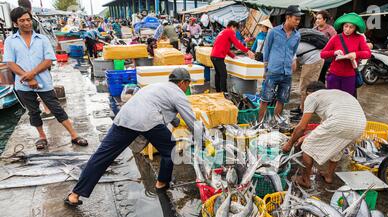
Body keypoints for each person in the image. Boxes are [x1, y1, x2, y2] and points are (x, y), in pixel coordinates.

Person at [64, 68, 197, 206]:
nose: (187, 88)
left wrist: (175, 120)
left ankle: (74, 195)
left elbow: (159, 105)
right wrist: (204, 138)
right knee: (170, 149)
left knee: (102, 156)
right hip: (147, 120)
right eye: (187, 84)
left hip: (124, 118)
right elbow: (192, 121)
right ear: (182, 82)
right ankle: (161, 183)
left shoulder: (156, 86)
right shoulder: (178, 93)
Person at [4, 7, 88, 150]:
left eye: (28, 19)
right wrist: (29, 79)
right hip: (23, 84)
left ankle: (74, 135)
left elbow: (48, 60)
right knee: (33, 112)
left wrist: (32, 74)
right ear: (15, 23)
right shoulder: (10, 41)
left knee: (56, 109)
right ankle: (42, 137)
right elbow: (10, 63)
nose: (26, 23)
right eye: (22, 20)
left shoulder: (42, 39)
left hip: (44, 81)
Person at [282, 82, 367, 187]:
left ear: (308, 93)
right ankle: (328, 176)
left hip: (340, 122)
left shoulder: (312, 97)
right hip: (360, 124)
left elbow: (302, 127)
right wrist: (305, 136)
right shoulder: (333, 95)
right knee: (338, 147)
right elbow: (326, 126)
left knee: (307, 147)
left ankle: (305, 180)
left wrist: (289, 143)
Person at [258, 5, 302, 121]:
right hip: (273, 70)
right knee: (265, 98)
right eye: (295, 19)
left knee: (282, 99)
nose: (298, 22)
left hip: (287, 72)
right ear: (288, 17)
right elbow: (266, 50)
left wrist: (294, 60)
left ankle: (276, 122)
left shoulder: (297, 35)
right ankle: (260, 122)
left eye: (299, 19)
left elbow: (293, 51)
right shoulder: (273, 32)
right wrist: (265, 69)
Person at [320, 12, 371, 97]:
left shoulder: (360, 38)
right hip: (334, 75)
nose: (347, 29)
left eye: (351, 27)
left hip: (349, 77)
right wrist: (334, 52)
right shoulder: (336, 38)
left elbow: (368, 53)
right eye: (346, 26)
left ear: (355, 28)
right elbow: (322, 54)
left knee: (346, 101)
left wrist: (356, 54)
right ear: (342, 26)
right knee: (332, 100)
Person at [210, 20, 255, 93]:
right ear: (232, 27)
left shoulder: (223, 32)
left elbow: (225, 48)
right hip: (218, 57)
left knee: (218, 74)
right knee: (223, 74)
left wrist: (233, 56)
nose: (235, 31)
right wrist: (248, 51)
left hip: (213, 56)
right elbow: (237, 44)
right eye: (236, 29)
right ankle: (224, 92)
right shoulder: (230, 32)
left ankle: (218, 92)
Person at [293, 31, 325, 118]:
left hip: (314, 60)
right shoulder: (293, 41)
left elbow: (293, 67)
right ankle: (302, 108)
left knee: (306, 87)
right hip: (313, 59)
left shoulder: (290, 45)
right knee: (305, 86)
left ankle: (304, 112)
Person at [314, 10, 337, 83]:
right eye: (317, 18)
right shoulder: (314, 29)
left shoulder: (330, 29)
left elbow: (336, 43)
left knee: (321, 74)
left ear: (325, 20)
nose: (317, 20)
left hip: (327, 56)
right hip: (316, 55)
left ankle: (322, 89)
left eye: (319, 18)